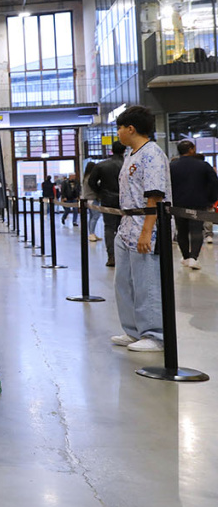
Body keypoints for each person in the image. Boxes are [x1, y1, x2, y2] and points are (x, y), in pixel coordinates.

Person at [111, 106, 171, 352]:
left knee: (147, 283)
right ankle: (133, 330)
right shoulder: (130, 154)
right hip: (127, 225)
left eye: (119, 128)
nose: (118, 133)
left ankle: (155, 334)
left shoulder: (152, 154)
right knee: (124, 282)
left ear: (131, 128)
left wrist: (147, 231)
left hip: (146, 224)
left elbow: (154, 196)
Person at [169, 139, 218, 270]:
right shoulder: (203, 165)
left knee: (182, 231)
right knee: (196, 230)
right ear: (191, 149)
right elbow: (214, 183)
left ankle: (186, 257)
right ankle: (193, 258)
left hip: (178, 204)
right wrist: (211, 200)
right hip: (198, 203)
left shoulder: (171, 166)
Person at [88, 142, 125, 267]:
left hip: (107, 199)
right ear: (124, 150)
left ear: (112, 150)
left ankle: (111, 256)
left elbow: (91, 182)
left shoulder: (101, 165)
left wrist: (100, 192)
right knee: (125, 227)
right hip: (125, 199)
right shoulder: (127, 164)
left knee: (109, 227)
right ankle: (124, 256)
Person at [81, 161, 102, 242]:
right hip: (92, 198)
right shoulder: (90, 178)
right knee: (96, 216)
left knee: (92, 216)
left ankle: (91, 233)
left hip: (88, 198)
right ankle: (91, 234)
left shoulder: (85, 177)